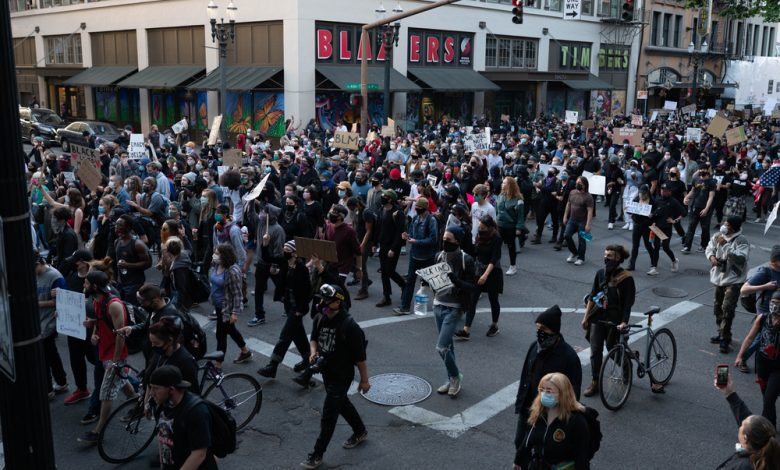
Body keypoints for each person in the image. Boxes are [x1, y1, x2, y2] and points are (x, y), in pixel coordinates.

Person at [300, 284, 370, 469]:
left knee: (329, 415)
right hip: (327, 372)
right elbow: (314, 338)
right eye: (321, 299)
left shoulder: (349, 326)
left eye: (327, 301)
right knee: (342, 404)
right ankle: (360, 431)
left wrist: (364, 380)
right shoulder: (320, 318)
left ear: (338, 302)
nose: (322, 303)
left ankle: (317, 454)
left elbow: (360, 358)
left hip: (342, 375)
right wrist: (313, 352)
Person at [78, 270, 138, 445]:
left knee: (106, 393)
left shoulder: (114, 304)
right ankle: (137, 404)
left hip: (115, 354)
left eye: (86, 283)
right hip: (105, 351)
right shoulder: (97, 300)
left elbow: (121, 335)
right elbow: (98, 320)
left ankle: (98, 430)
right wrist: (94, 331)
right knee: (122, 380)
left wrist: (116, 360)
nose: (84, 285)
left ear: (95, 286)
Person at [514, 306, 582, 454]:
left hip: (550, 413)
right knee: (520, 443)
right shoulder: (534, 347)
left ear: (554, 331)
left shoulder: (569, 357)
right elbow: (526, 375)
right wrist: (520, 402)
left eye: (544, 329)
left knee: (542, 451)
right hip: (529, 409)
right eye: (538, 328)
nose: (540, 333)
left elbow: (573, 392)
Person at [581, 245, 636, 397]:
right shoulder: (600, 274)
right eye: (605, 255)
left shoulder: (626, 278)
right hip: (598, 317)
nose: (606, 258)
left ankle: (626, 366)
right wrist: (586, 317)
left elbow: (627, 304)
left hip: (615, 319)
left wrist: (624, 321)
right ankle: (595, 382)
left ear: (618, 258)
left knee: (613, 349)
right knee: (595, 350)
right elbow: (593, 296)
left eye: (610, 256)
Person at [429, 226, 476, 398]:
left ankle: (456, 376)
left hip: (454, 308)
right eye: (444, 238)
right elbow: (435, 279)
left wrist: (457, 281)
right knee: (448, 346)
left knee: (441, 347)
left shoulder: (466, 260)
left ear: (457, 241)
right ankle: (451, 378)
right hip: (438, 305)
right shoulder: (439, 256)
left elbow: (473, 286)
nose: (444, 242)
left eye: (449, 239)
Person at [257, 240, 313, 378]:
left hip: (297, 308)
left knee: (285, 336)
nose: (284, 251)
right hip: (288, 305)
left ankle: (273, 365)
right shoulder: (284, 262)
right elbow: (267, 258)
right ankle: (308, 360)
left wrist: (300, 308)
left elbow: (308, 292)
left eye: (287, 249)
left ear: (295, 253)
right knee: (297, 334)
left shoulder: (302, 269)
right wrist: (265, 244)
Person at [514, 373, 590, 470]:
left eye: (549, 391)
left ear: (563, 394)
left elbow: (582, 457)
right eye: (542, 390)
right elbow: (528, 439)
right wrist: (518, 460)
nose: (544, 394)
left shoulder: (577, 421)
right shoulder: (539, 412)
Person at [149, 366, 218, 469]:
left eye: (156, 388)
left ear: (171, 389)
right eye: (151, 387)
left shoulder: (196, 412)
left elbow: (199, 454)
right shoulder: (164, 403)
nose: (151, 393)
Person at [714, 375, 780, 469]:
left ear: (745, 438)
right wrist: (729, 393)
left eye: (742, 425)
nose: (741, 423)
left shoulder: (743, 466)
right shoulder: (769, 456)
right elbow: (750, 422)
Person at [734, 290, 780, 426]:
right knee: (766, 396)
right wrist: (740, 356)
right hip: (762, 363)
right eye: (772, 302)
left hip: (778, 367)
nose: (774, 306)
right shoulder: (762, 318)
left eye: (777, 303)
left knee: (769, 399)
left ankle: (767, 427)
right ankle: (771, 423)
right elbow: (749, 338)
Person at [705, 216, 750, 354]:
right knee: (717, 307)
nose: (725, 225)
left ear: (734, 227)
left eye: (728, 224)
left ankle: (725, 338)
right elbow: (709, 248)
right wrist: (712, 257)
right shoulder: (718, 236)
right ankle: (721, 332)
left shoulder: (741, 240)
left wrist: (726, 246)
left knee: (727, 308)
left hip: (734, 280)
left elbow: (741, 258)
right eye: (725, 223)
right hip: (719, 278)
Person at [456, 216, 503, 339]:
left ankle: (494, 325)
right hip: (478, 270)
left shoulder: (496, 238)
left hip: (492, 272)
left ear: (490, 227)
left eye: (482, 227)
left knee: (493, 300)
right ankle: (466, 330)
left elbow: (494, 258)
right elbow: (475, 252)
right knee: (473, 300)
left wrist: (485, 275)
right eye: (479, 227)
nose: (480, 229)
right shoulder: (479, 235)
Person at [738, 246, 780, 372]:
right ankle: (742, 358)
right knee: (760, 336)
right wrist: (765, 286)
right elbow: (744, 289)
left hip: (777, 310)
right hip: (765, 309)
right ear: (776, 259)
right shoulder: (765, 272)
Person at [62, 249, 96, 405]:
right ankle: (81, 389)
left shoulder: (95, 279)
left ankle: (122, 376)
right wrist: (61, 311)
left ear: (83, 263)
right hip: (74, 327)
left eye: (76, 260)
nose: (74, 263)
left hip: (91, 327)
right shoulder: (72, 277)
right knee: (76, 359)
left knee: (95, 357)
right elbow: (68, 300)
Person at [394, 197, 439, 315]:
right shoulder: (415, 218)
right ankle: (405, 307)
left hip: (427, 257)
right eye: (416, 207)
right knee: (410, 281)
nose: (417, 210)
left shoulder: (431, 220)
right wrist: (407, 236)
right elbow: (412, 234)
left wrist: (417, 242)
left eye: (420, 208)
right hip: (414, 255)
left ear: (425, 208)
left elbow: (433, 239)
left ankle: (440, 304)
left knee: (433, 283)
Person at [210, 243, 252, 368]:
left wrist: (234, 313)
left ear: (225, 256)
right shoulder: (216, 264)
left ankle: (217, 365)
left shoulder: (232, 272)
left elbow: (237, 294)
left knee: (221, 335)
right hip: (218, 306)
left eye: (217, 253)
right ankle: (245, 351)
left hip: (226, 308)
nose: (214, 255)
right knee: (230, 330)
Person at [34, 252, 69, 399]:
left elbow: (63, 301)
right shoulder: (34, 274)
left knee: (44, 356)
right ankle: (61, 382)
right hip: (39, 320)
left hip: (49, 321)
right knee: (50, 353)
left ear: (38, 263)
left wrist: (37, 304)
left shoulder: (55, 277)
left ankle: (48, 389)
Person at [147, 317, 200, 394]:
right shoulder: (160, 352)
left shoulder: (186, 362)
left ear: (170, 341)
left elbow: (192, 393)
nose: (153, 346)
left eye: (156, 343)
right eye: (151, 342)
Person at [374, 190, 406, 308]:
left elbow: (399, 232)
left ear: (391, 199)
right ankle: (386, 296)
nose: (382, 198)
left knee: (390, 271)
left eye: (385, 196)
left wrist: (393, 248)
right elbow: (378, 227)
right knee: (384, 272)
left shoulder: (398, 213)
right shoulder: (381, 210)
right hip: (382, 245)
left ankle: (403, 285)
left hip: (393, 246)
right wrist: (374, 243)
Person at [112, 214, 152, 305]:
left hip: (134, 284)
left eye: (120, 225)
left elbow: (148, 263)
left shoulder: (138, 244)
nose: (116, 227)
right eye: (116, 224)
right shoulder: (117, 242)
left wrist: (128, 265)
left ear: (128, 227)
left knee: (132, 311)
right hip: (120, 284)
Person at [651, 182, 686, 273]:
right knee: (656, 247)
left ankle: (674, 260)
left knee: (666, 247)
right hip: (657, 228)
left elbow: (684, 212)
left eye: (666, 191)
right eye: (662, 190)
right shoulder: (657, 200)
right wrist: (652, 218)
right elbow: (653, 212)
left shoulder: (673, 201)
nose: (663, 192)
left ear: (670, 192)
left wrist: (675, 221)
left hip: (667, 228)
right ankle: (654, 267)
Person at [682, 166, 716, 254]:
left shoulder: (711, 182)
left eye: (703, 169)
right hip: (695, 206)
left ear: (707, 171)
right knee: (691, 227)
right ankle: (687, 246)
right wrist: (687, 197)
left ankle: (704, 246)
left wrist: (706, 209)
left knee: (705, 228)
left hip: (705, 208)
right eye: (700, 169)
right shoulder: (696, 179)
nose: (701, 171)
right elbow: (693, 191)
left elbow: (711, 197)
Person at [496, 176, 525, 276]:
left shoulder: (518, 199)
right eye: (502, 182)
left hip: (510, 227)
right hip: (499, 225)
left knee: (511, 247)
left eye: (504, 183)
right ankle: (495, 265)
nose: (502, 184)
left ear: (510, 185)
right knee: (496, 245)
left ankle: (513, 266)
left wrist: (519, 228)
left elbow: (521, 216)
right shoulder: (501, 196)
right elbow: (497, 211)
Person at [562, 176, 594, 266]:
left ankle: (581, 258)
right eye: (576, 183)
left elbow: (590, 211)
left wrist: (588, 225)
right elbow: (568, 204)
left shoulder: (588, 197)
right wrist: (565, 216)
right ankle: (574, 252)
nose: (577, 185)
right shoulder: (572, 192)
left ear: (584, 185)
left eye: (579, 183)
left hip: (582, 222)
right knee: (566, 235)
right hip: (572, 219)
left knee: (582, 240)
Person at [626, 184, 656, 274]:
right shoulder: (636, 199)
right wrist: (628, 209)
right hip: (637, 225)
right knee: (635, 246)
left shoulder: (652, 201)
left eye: (643, 194)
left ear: (647, 193)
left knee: (648, 245)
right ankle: (631, 265)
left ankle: (653, 263)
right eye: (640, 194)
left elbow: (656, 211)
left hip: (646, 227)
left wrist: (652, 214)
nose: (641, 196)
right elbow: (630, 210)